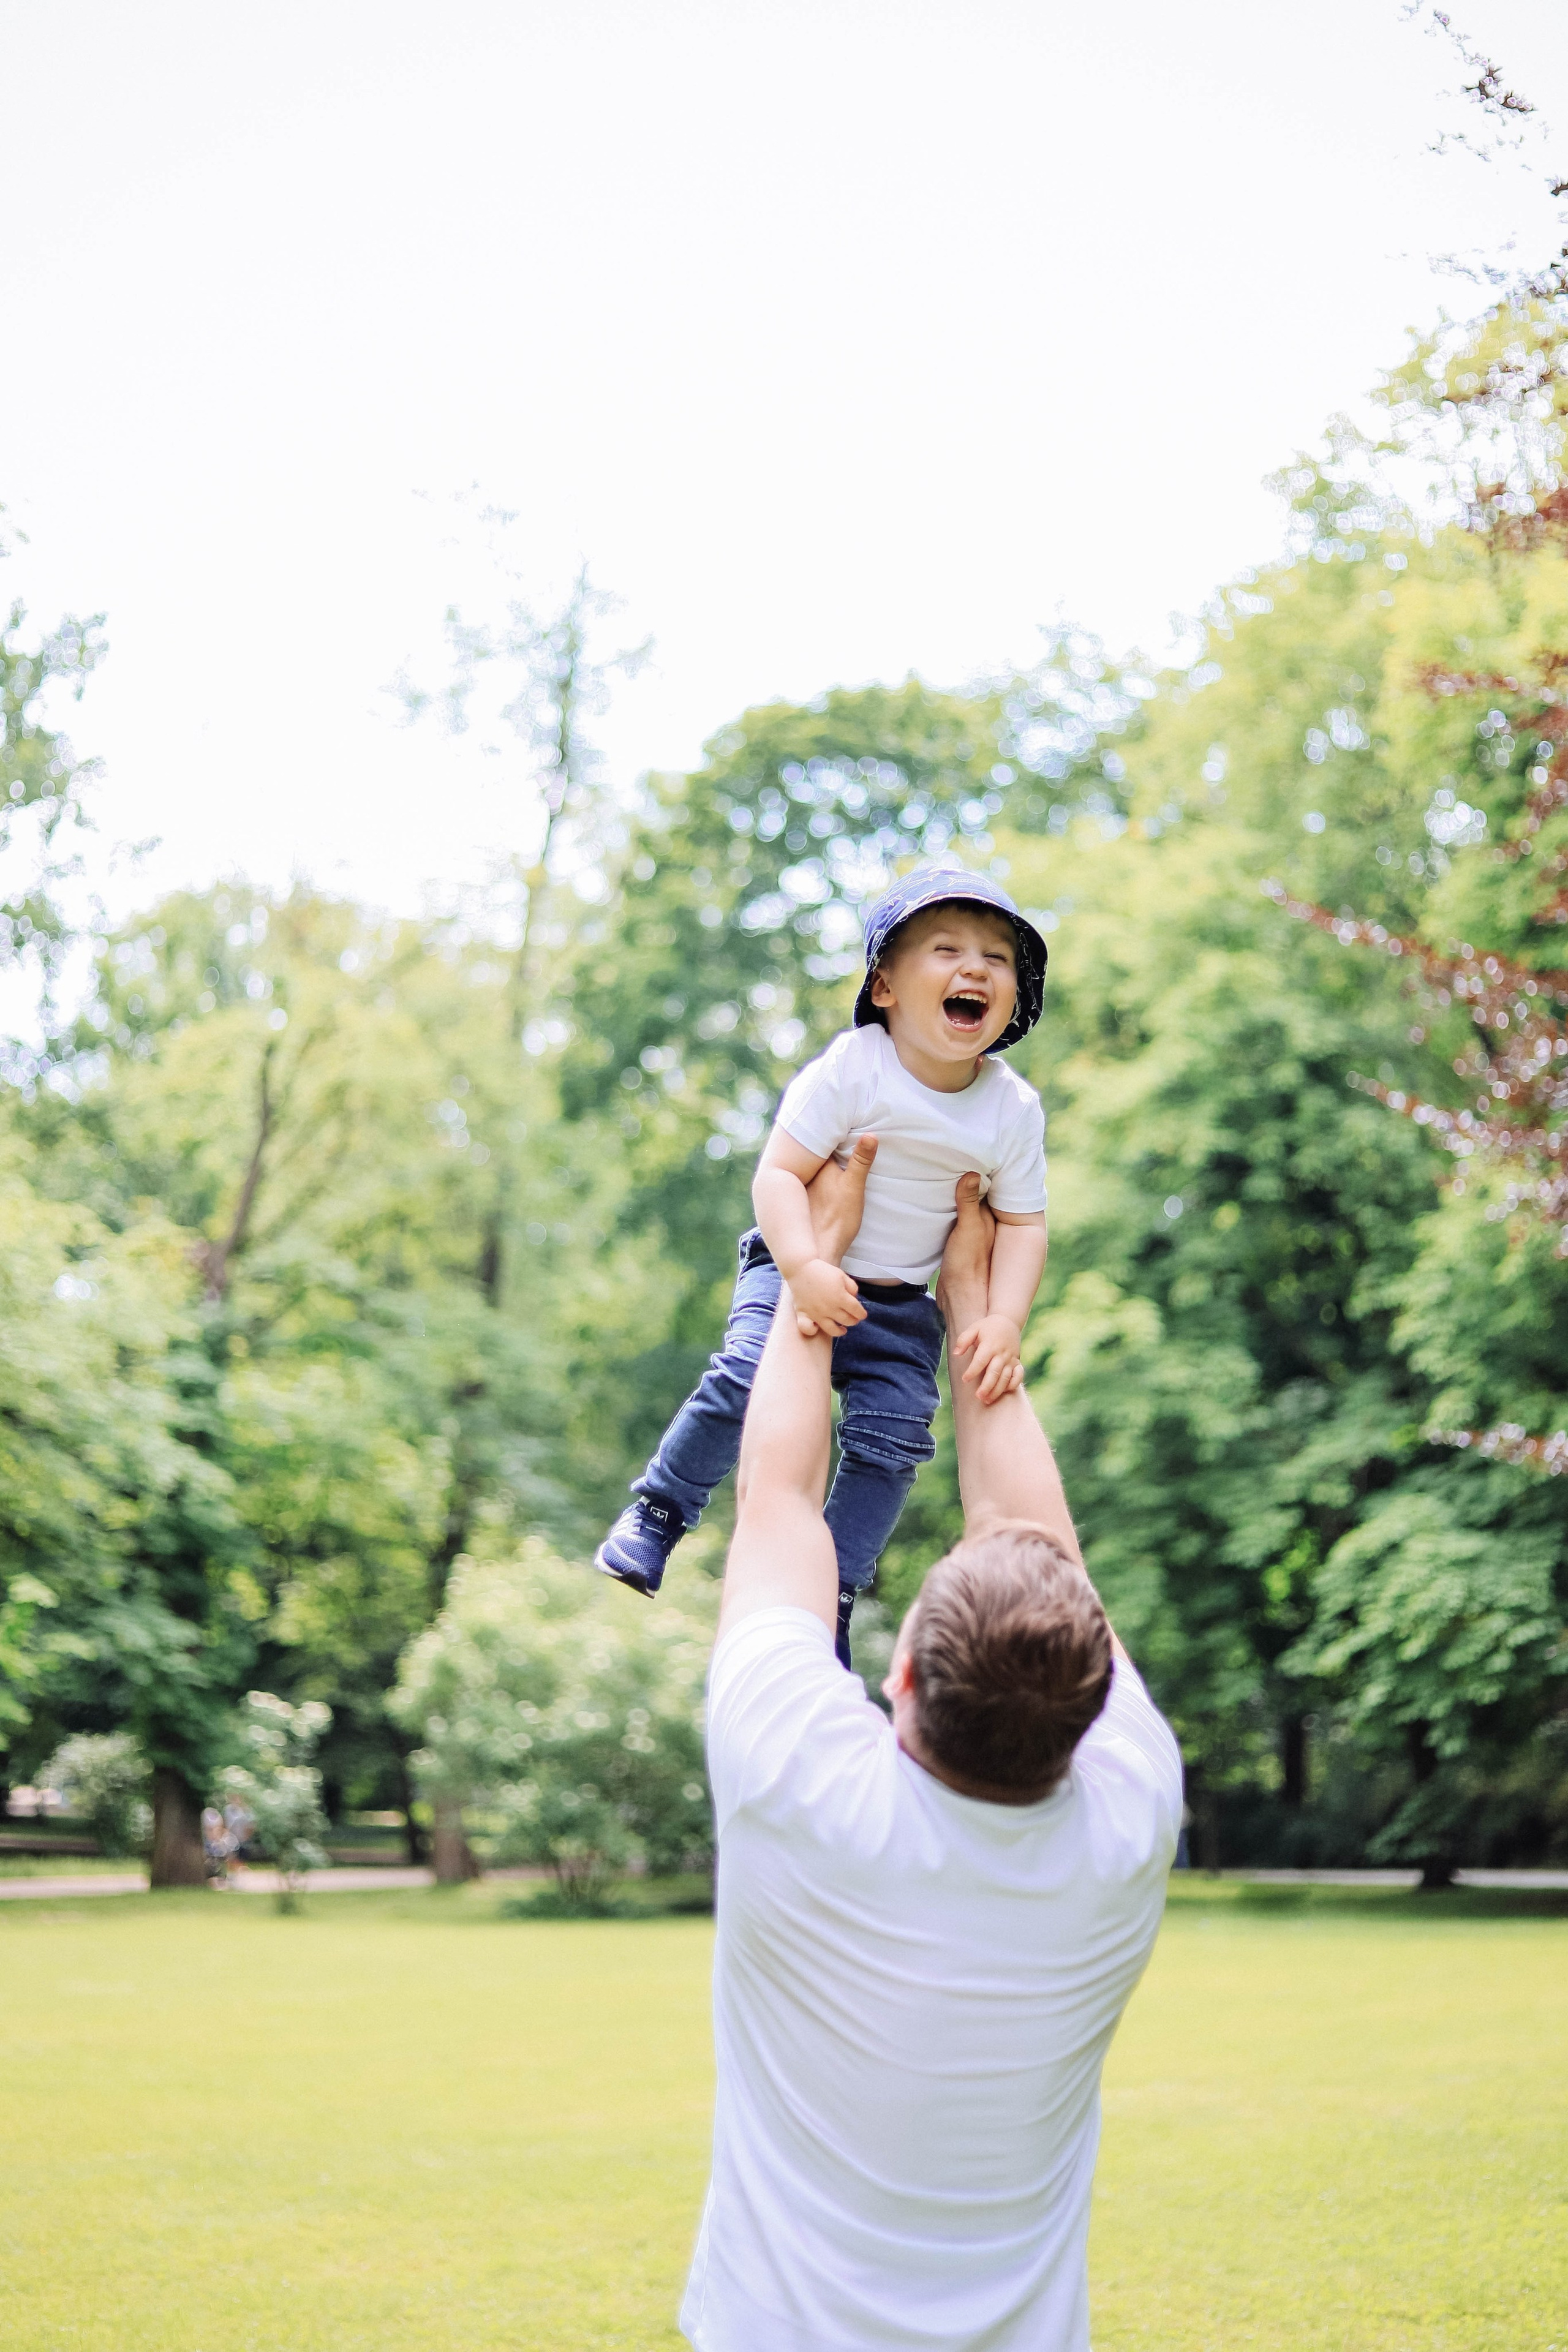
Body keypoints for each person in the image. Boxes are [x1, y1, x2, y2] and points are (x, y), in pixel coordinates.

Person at [679, 1149, 1183, 2352]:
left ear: (893, 1676)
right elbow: (1025, 1538)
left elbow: (781, 1507)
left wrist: (817, 1281)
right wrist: (977, 1312)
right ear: (1095, 1697)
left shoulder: (803, 1777)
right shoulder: (1124, 1824)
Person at [596, 867, 1050, 1666]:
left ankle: (834, 1587)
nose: (976, 968)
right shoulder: (854, 1067)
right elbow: (777, 1174)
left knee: (898, 1437)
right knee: (745, 1374)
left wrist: (1003, 1319)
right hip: (796, 1261)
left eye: (997, 958)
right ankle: (660, 1510)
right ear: (884, 986)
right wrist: (805, 1265)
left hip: (903, 1304)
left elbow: (1023, 1223)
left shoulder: (1010, 1109)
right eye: (946, 949)